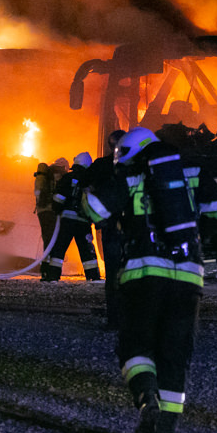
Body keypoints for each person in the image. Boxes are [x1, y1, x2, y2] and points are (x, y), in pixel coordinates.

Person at [81, 127, 217, 433]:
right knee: (174, 356)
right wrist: (195, 237)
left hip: (143, 277)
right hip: (188, 278)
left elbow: (95, 209)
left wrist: (85, 184)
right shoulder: (191, 172)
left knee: (136, 346)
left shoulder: (132, 177)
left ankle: (148, 400)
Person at [41, 152, 101, 282]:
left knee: (59, 248)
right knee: (87, 249)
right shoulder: (91, 179)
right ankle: (93, 277)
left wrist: (57, 209)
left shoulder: (68, 177)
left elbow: (58, 198)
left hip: (67, 220)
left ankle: (53, 276)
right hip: (84, 221)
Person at [89, 130, 127, 329]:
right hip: (133, 231)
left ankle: (115, 320)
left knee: (113, 276)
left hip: (111, 229)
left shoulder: (100, 166)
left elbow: (88, 192)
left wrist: (98, 220)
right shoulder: (136, 166)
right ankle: (131, 320)